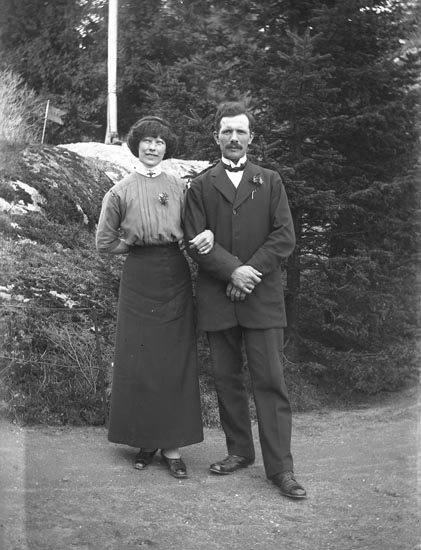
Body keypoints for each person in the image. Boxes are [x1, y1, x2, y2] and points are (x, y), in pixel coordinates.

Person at [183, 101, 307, 498]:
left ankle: (281, 468)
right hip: (218, 297)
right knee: (226, 379)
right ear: (216, 136)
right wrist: (232, 272)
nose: (234, 138)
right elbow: (194, 241)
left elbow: (284, 237)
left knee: (270, 381)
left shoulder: (270, 181)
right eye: (227, 131)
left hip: (261, 296)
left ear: (251, 137)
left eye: (240, 131)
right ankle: (239, 450)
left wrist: (248, 272)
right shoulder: (200, 185)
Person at [96, 116, 213, 479]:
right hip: (138, 276)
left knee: (174, 359)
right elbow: (104, 242)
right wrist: (133, 246)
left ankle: (172, 447)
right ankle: (145, 442)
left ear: (166, 147)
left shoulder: (179, 186)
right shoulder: (120, 191)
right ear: (136, 145)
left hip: (174, 273)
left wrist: (202, 237)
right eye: (146, 140)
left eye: (159, 141)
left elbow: (195, 229)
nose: (152, 147)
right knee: (141, 359)